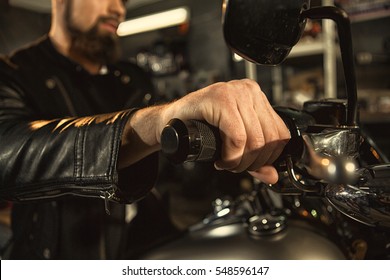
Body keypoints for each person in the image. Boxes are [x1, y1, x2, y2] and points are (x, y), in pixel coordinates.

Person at [0, 0, 290, 259]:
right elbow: (7, 152)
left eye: (123, 1)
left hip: (147, 246)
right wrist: (152, 123)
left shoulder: (131, 79)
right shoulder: (14, 72)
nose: (118, 9)